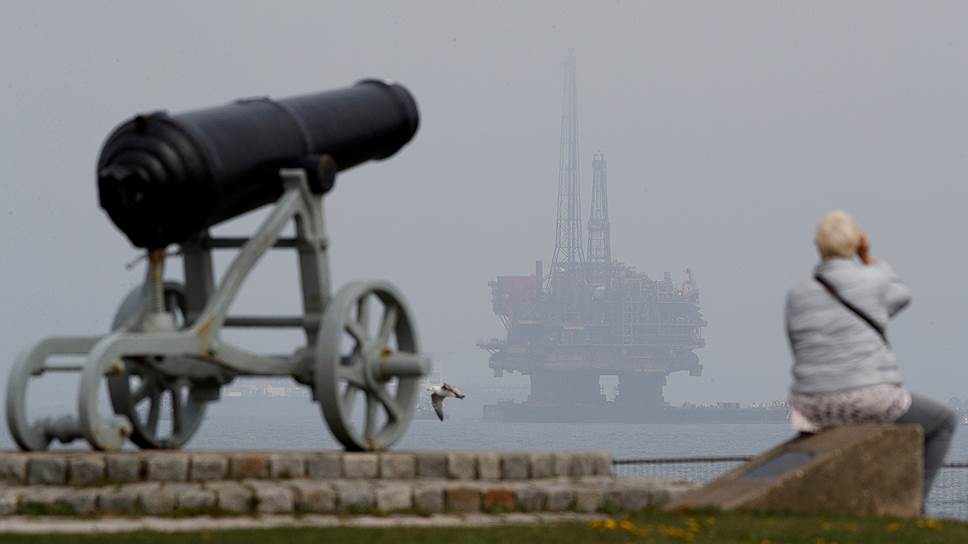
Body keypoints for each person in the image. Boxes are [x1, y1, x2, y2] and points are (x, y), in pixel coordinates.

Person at [785, 210, 956, 503]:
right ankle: (915, 506)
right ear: (857, 242)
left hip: (811, 405)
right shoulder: (871, 280)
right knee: (943, 421)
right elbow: (901, 295)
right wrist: (867, 258)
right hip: (868, 399)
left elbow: (796, 343)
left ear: (817, 245)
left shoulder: (797, 293)